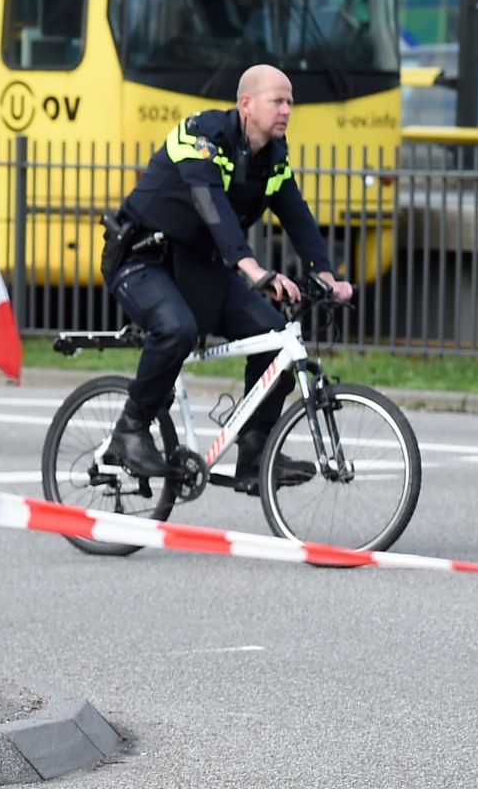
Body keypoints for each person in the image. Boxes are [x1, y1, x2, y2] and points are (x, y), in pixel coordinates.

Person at [100, 63, 356, 493]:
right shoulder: (200, 138)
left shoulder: (272, 158)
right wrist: (252, 267)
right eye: (278, 100)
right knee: (176, 329)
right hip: (144, 259)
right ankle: (130, 430)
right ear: (246, 104)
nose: (287, 110)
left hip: (199, 267)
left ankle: (255, 457)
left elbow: (296, 213)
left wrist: (326, 274)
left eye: (290, 101)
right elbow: (210, 204)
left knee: (275, 337)